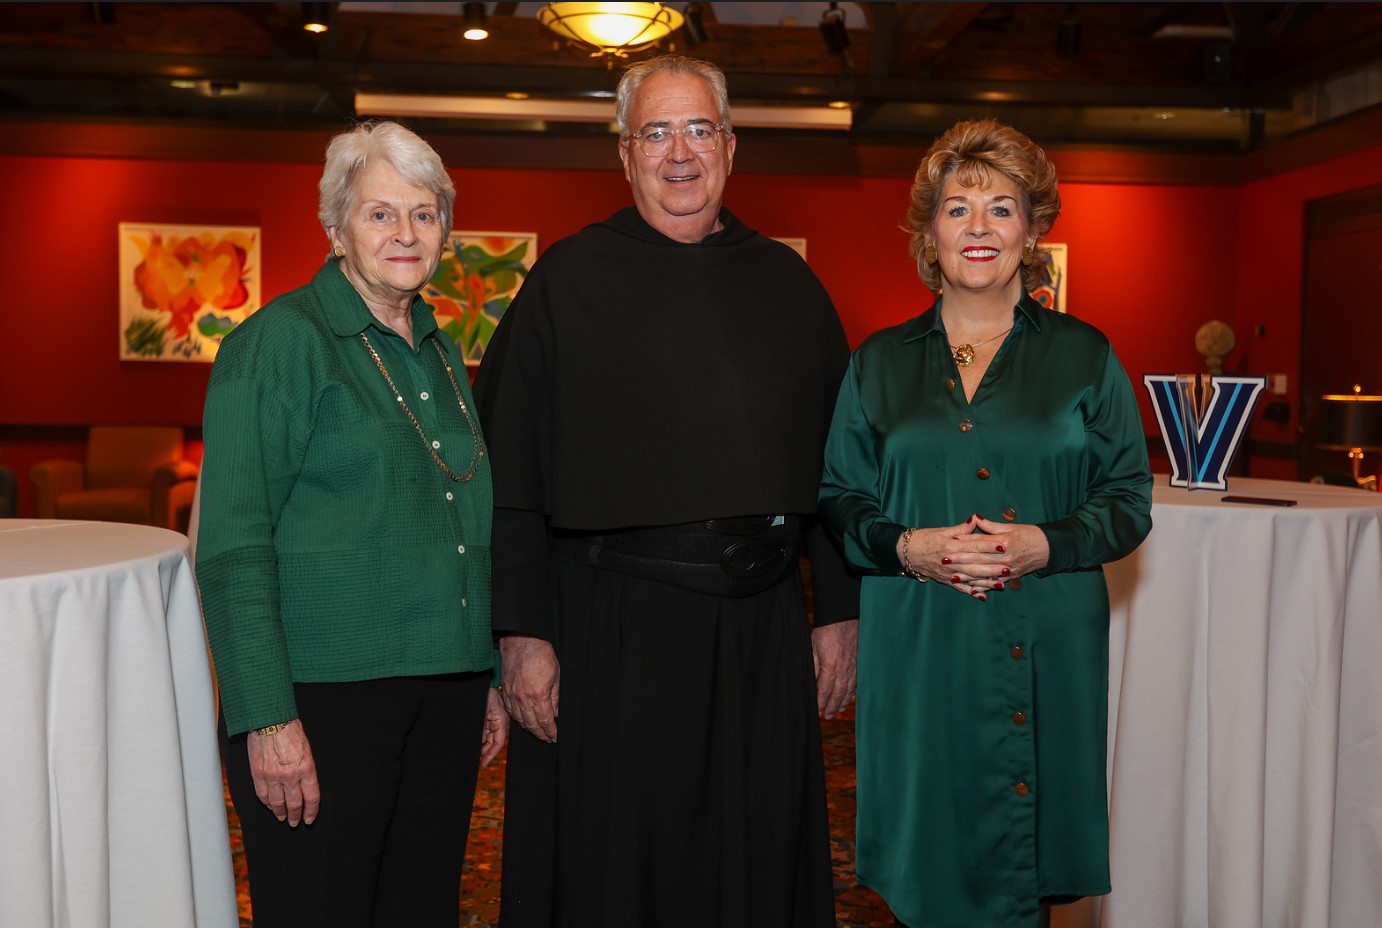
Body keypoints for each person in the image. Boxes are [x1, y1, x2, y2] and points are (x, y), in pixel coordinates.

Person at [473, 55, 860, 928]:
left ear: (730, 146)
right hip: (614, 630)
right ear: (624, 154)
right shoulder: (566, 284)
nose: (678, 153)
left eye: (698, 130)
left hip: (760, 631)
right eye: (656, 132)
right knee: (619, 870)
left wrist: (838, 608)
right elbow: (508, 478)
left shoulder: (788, 285)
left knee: (752, 860)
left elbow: (843, 468)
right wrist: (522, 634)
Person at [818, 119, 1153, 928]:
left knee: (1020, 865)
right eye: (957, 208)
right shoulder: (878, 361)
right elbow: (839, 495)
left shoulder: (1085, 354)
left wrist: (1047, 542)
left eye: (1001, 208)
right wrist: (905, 546)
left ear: (1032, 230)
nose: (979, 228)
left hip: (1045, 640)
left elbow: (1127, 498)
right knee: (927, 861)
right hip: (919, 639)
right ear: (929, 232)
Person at [195, 120, 506, 928]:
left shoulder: (437, 345)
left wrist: (487, 674)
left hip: (444, 691)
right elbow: (231, 550)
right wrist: (266, 716)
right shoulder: (277, 345)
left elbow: (464, 514)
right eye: (380, 214)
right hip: (322, 702)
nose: (406, 232)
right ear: (335, 228)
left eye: (425, 213)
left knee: (421, 907)